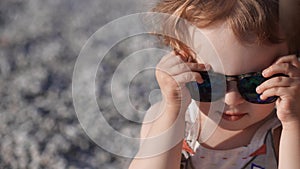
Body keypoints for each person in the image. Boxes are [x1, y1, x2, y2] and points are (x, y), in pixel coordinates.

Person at [129, 0, 300, 169]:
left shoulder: (280, 129)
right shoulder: (173, 119)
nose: (232, 99)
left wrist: (293, 123)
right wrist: (173, 110)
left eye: (254, 83)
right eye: (210, 82)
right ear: (183, 64)